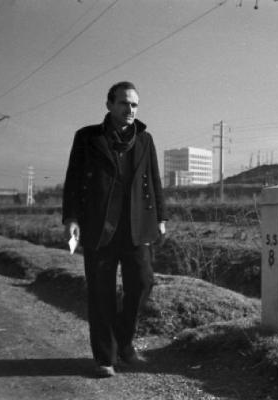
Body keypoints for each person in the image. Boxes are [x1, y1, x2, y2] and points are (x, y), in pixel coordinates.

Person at [62, 81, 166, 378]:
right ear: (109, 105)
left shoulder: (145, 139)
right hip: (99, 226)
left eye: (134, 104)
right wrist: (71, 218)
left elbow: (154, 180)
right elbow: (73, 179)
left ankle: (123, 341)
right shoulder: (87, 137)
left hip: (136, 226)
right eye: (124, 103)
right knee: (100, 292)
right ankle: (105, 358)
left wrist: (161, 217)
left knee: (143, 282)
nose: (130, 109)